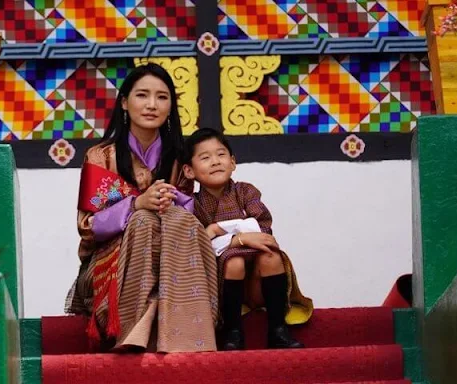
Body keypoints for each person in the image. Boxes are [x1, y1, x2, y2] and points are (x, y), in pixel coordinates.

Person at [65, 64, 218, 353]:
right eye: (142, 95)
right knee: (143, 220)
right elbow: (87, 227)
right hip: (112, 261)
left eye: (162, 97)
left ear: (171, 105)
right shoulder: (101, 156)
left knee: (174, 219)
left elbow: (194, 213)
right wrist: (136, 204)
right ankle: (133, 330)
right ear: (124, 102)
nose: (151, 105)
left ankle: (188, 331)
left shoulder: (180, 158)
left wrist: (169, 201)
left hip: (172, 256)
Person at [182, 128, 313, 351]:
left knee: (270, 256)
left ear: (233, 162)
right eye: (205, 157)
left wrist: (217, 231)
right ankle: (232, 331)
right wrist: (238, 239)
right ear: (189, 171)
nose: (215, 161)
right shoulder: (191, 205)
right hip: (223, 285)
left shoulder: (246, 192)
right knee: (234, 261)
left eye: (221, 155)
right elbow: (198, 244)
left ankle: (278, 330)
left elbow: (261, 229)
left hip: (258, 283)